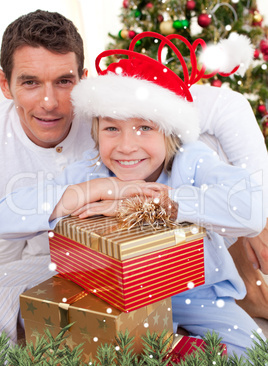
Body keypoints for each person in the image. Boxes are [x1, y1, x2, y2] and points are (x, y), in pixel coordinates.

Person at [0, 10, 267, 344]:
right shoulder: (91, 167)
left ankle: (179, 354)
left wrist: (162, 201)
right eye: (112, 129)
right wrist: (100, 188)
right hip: (108, 293)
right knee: (100, 352)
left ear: (168, 131)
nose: (127, 146)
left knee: (252, 353)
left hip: (194, 294)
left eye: (144, 128)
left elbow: (250, 207)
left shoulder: (191, 160)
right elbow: (6, 214)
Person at [0, 9, 94, 343]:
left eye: (64, 81)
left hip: (106, 263)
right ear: (5, 85)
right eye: (30, 82)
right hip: (29, 263)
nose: (49, 102)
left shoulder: (109, 120)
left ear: (83, 79)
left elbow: (216, 104)